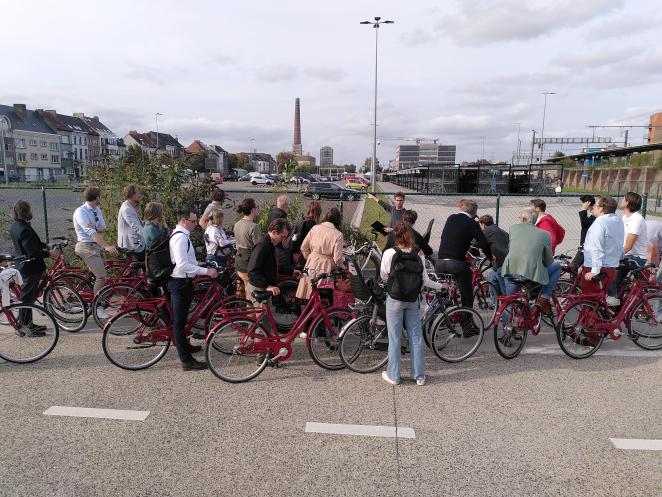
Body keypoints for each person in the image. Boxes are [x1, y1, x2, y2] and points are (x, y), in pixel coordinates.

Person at [380, 222, 443, 387]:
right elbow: (426, 280)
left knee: (394, 338)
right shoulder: (419, 253)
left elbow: (384, 276)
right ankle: (419, 375)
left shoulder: (389, 253)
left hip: (395, 299)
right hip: (413, 299)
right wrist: (440, 286)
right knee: (416, 336)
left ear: (396, 235)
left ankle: (394, 375)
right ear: (410, 235)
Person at [167, 208, 218, 371]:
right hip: (179, 283)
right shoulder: (180, 238)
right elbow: (182, 265)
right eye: (193, 221)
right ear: (183, 221)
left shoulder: (183, 236)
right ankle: (186, 361)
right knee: (179, 323)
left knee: (182, 321)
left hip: (185, 282)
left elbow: (188, 260)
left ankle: (186, 348)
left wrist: (200, 264)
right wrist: (206, 271)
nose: (196, 224)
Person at [435, 200, 493, 330]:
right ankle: (467, 327)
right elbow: (483, 243)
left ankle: (439, 314)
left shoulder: (451, 218)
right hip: (456, 264)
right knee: (467, 295)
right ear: (474, 213)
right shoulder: (472, 223)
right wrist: (490, 258)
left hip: (440, 262)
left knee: (444, 290)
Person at [10, 201, 60, 335]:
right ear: (26, 211)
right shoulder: (24, 229)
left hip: (26, 266)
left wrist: (45, 245)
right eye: (30, 210)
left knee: (29, 296)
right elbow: (32, 252)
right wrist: (49, 253)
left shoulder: (17, 225)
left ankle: (28, 324)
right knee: (26, 299)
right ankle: (25, 328)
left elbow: (33, 244)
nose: (32, 212)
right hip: (30, 268)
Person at [501, 207, 560, 317]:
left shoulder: (513, 228)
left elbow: (511, 248)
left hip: (510, 271)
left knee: (509, 302)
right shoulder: (545, 234)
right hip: (530, 275)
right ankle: (544, 298)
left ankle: (507, 329)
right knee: (557, 266)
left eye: (519, 218)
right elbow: (548, 260)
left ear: (523, 219)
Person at [73, 186, 118, 320]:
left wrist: (97, 228)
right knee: (102, 277)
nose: (101, 198)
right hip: (86, 246)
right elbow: (91, 233)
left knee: (98, 275)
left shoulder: (96, 209)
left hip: (95, 246)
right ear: (97, 198)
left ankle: (87, 297)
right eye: (100, 196)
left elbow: (103, 228)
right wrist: (107, 246)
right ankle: (97, 307)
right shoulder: (81, 212)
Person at [246, 218, 291, 331]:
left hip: (260, 286)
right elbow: (252, 271)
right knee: (263, 327)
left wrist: (290, 271)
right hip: (258, 288)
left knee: (253, 324)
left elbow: (271, 265)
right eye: (282, 236)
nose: (283, 240)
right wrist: (268, 286)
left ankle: (252, 345)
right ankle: (260, 348)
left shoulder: (270, 243)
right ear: (274, 232)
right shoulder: (263, 245)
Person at [608, 192, 648, 305]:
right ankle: (617, 302)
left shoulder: (637, 219)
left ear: (628, 202)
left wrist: (613, 255)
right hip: (627, 255)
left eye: (623, 199)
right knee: (613, 276)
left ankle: (613, 297)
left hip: (637, 257)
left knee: (609, 264)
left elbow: (629, 245)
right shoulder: (625, 217)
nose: (621, 200)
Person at [295, 208, 344, 300]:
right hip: (326, 266)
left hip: (311, 263)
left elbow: (303, 247)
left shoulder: (315, 228)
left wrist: (309, 257)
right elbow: (337, 258)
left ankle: (308, 313)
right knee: (322, 296)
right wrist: (341, 267)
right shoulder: (338, 234)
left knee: (308, 293)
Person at [580, 196, 624, 294]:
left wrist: (594, 271)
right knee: (600, 301)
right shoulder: (618, 220)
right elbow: (619, 243)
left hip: (598, 267)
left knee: (589, 299)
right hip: (611, 267)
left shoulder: (600, 221)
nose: (593, 207)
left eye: (596, 205)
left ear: (601, 208)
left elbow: (596, 247)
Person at [234, 198, 262, 299]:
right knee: (251, 294)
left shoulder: (237, 224)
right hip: (249, 263)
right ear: (253, 210)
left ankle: (240, 312)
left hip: (238, 261)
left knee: (240, 292)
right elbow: (259, 248)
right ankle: (251, 314)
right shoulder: (254, 227)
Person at [478, 214, 509, 301]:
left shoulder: (487, 231)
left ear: (483, 224)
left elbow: (475, 242)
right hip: (507, 260)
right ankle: (493, 304)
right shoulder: (500, 230)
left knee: (504, 290)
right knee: (492, 277)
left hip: (502, 263)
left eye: (480, 225)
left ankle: (506, 307)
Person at [117, 184, 145, 259]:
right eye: (138, 193)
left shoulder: (130, 207)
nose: (140, 195)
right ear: (132, 195)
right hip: (131, 243)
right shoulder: (127, 209)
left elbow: (136, 223)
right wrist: (148, 236)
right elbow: (135, 227)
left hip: (134, 241)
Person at [267, 195, 292, 273]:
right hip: (278, 244)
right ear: (286, 205)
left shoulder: (271, 212)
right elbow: (283, 231)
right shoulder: (282, 215)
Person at [571, 195, 596, 268]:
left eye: (582, 203)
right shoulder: (592, 214)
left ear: (587, 203)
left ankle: (574, 279)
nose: (581, 205)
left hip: (587, 247)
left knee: (573, 267)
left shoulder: (595, 215)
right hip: (585, 246)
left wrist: (583, 210)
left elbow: (584, 224)